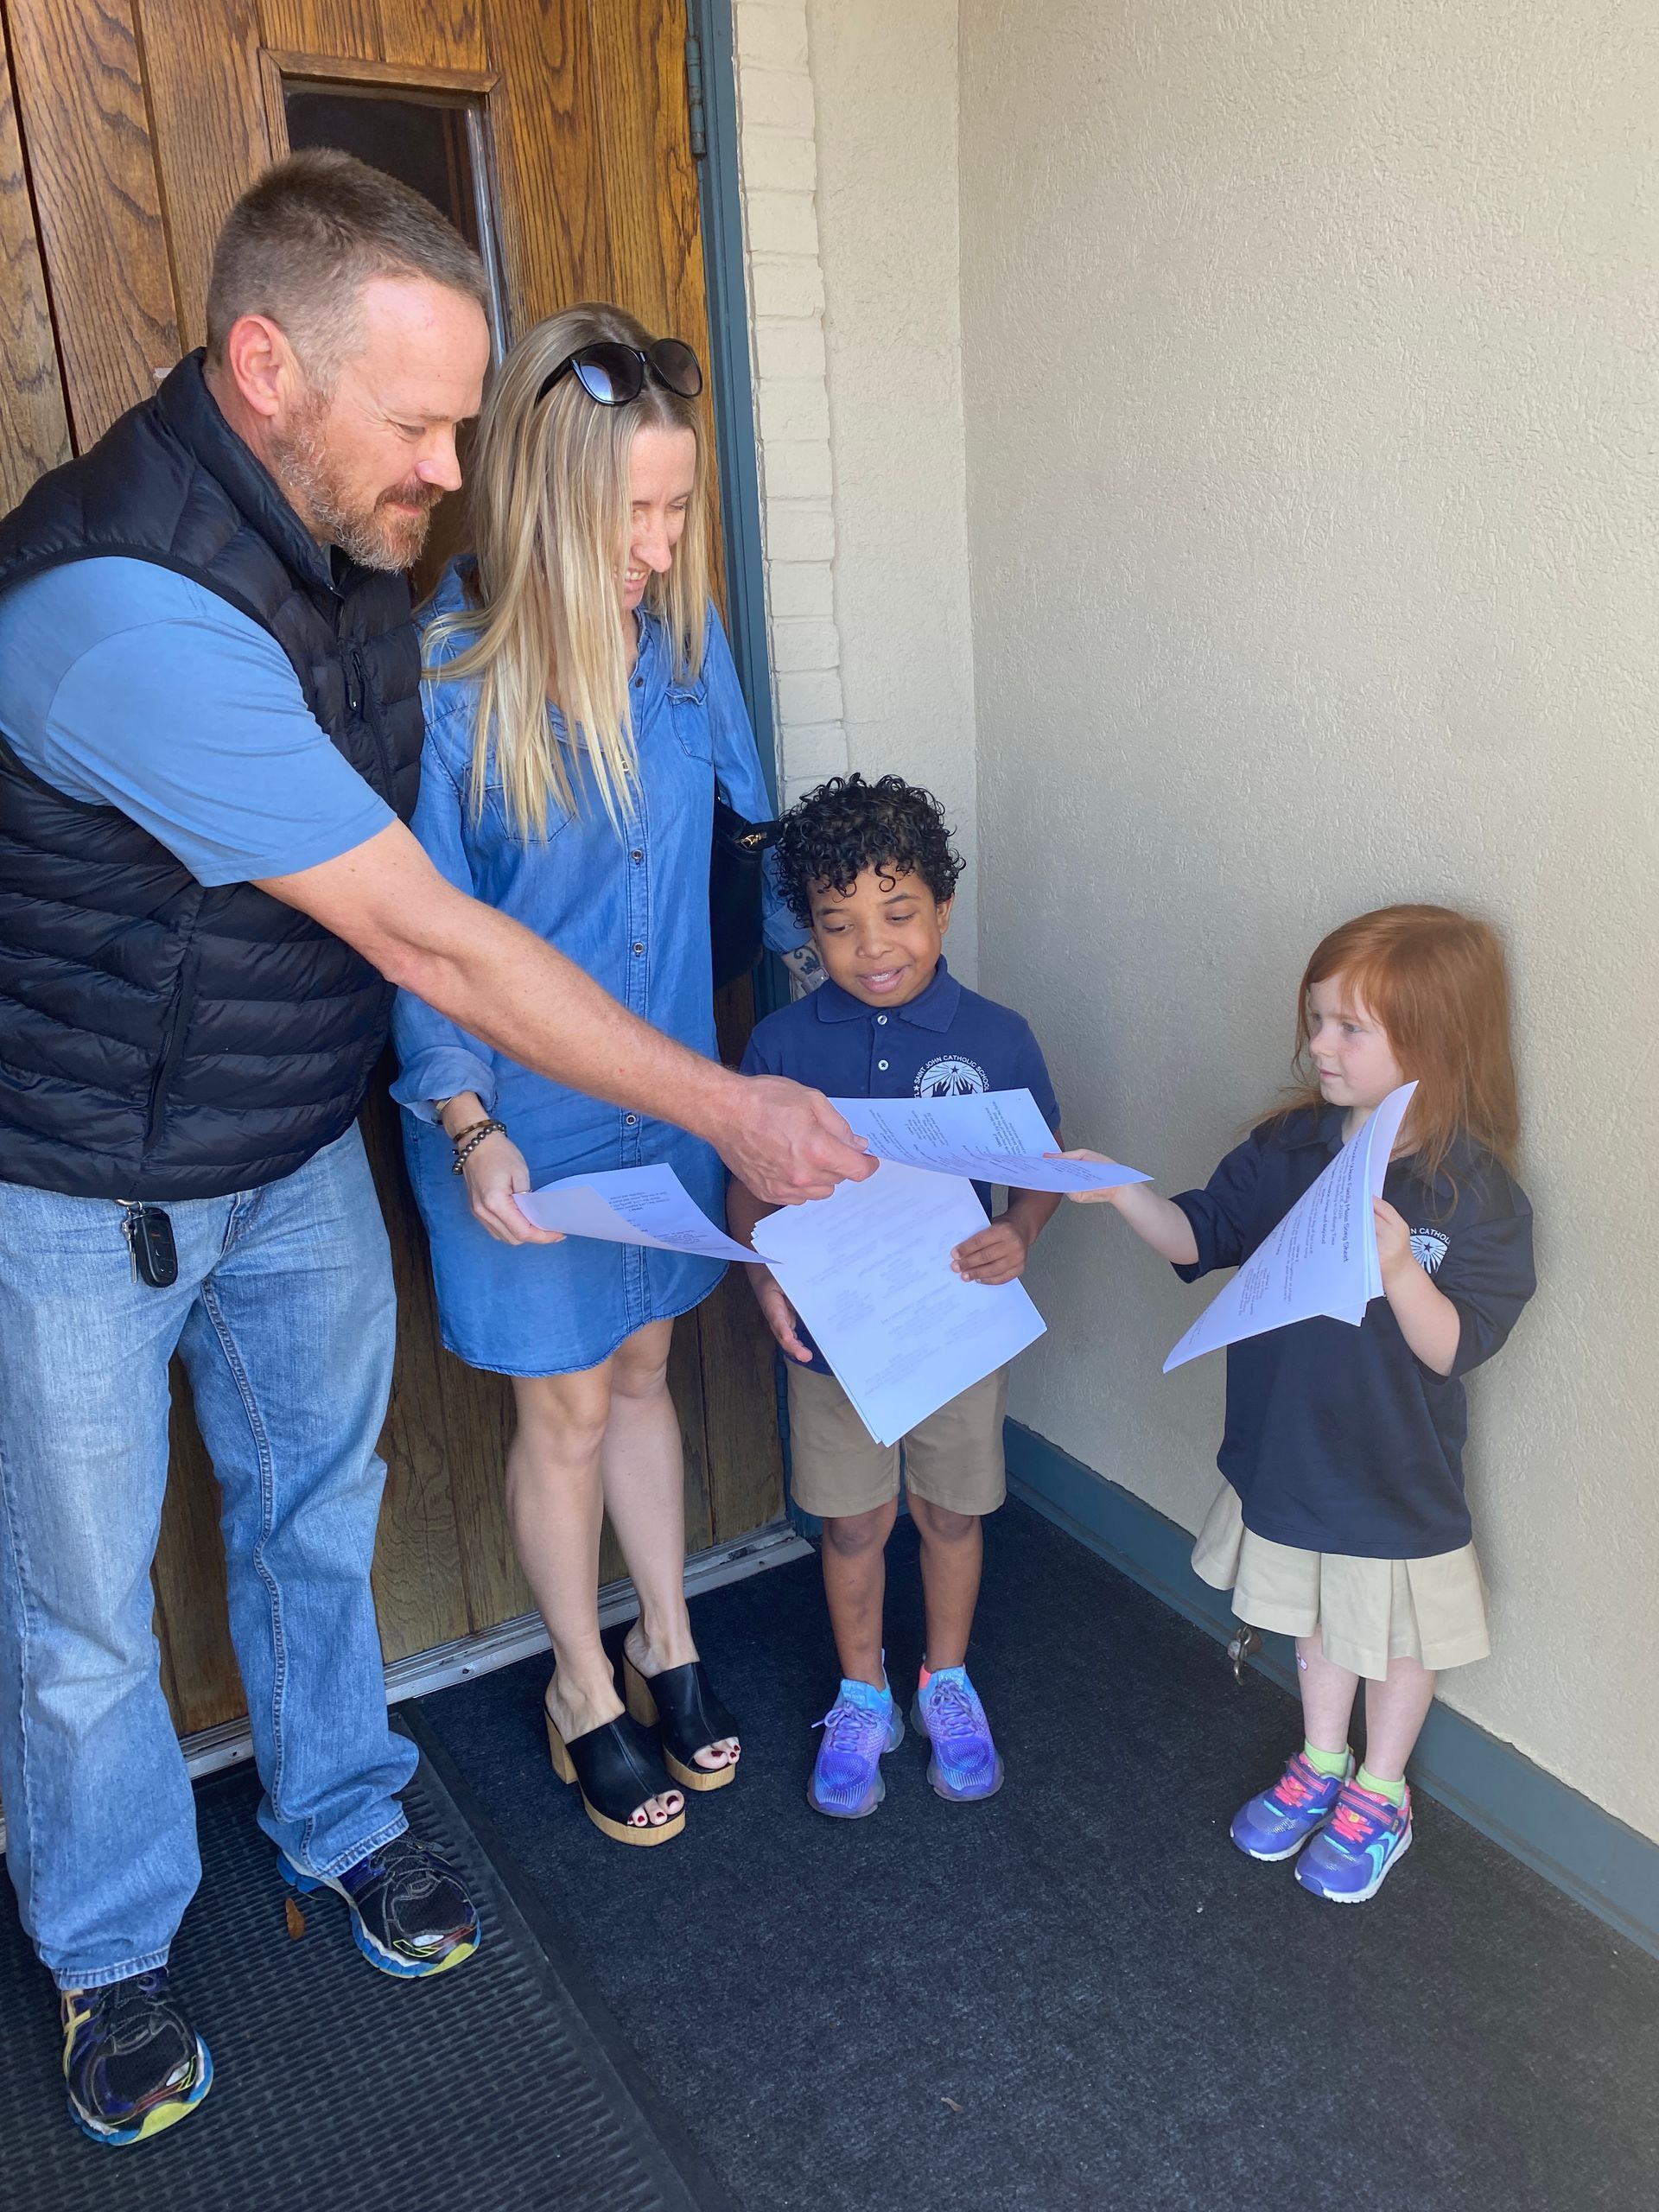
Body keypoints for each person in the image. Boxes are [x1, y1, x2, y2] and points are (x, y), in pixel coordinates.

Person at [0, 153, 866, 2147]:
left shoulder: (352, 560)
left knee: (316, 1510)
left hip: (290, 1141)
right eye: (420, 423)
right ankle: (111, 1945)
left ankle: (339, 1813)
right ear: (267, 369)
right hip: (87, 1173)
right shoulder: (118, 614)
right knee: (84, 1604)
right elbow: (437, 932)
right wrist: (717, 1107)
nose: (452, 468)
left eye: (473, 424)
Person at [392, 303, 811, 1848]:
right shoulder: (449, 678)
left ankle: (668, 1641)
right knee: (562, 1405)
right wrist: (469, 1126)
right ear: (543, 500)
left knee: (644, 1368)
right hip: (518, 1123)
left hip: (671, 1096)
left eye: (678, 509)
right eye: (629, 513)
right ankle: (581, 1685)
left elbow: (754, 860)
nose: (658, 546)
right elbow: (419, 939)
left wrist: (838, 1028)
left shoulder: (685, 652)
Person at [1066, 905, 1535, 1902]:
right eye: (1316, 1019)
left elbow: (1458, 1346)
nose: (1319, 1044)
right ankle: (1323, 1758)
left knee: (1395, 1636)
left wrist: (1400, 1269)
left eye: (1349, 1028)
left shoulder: (1473, 1192)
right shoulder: (1288, 1147)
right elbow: (1199, 1236)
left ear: (1435, 1041)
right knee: (1316, 1616)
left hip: (1394, 1468)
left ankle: (1381, 1792)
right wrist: (1125, 1195)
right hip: (1288, 1448)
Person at [728, 775, 1063, 1818]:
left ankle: (946, 1682)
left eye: (899, 913)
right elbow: (746, 1185)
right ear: (809, 934)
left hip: (957, 1329)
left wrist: (1020, 1232)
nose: (873, 947)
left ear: (945, 909)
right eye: (838, 925)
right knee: (853, 1524)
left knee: (950, 1514)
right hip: (837, 1337)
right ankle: (862, 1694)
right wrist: (763, 1277)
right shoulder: (783, 1046)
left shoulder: (997, 1037)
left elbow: (1041, 1169)